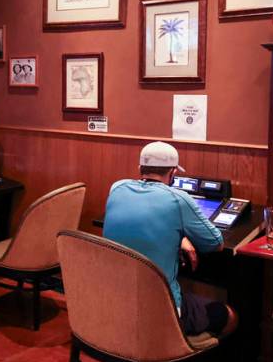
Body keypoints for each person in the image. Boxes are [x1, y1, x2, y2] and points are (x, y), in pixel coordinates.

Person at [102, 141, 238, 337]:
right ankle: (184, 358)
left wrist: (178, 236)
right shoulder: (179, 199)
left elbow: (140, 220)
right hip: (161, 312)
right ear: (173, 173)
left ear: (140, 168)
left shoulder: (117, 188)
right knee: (230, 316)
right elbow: (216, 243)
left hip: (114, 302)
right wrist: (182, 234)